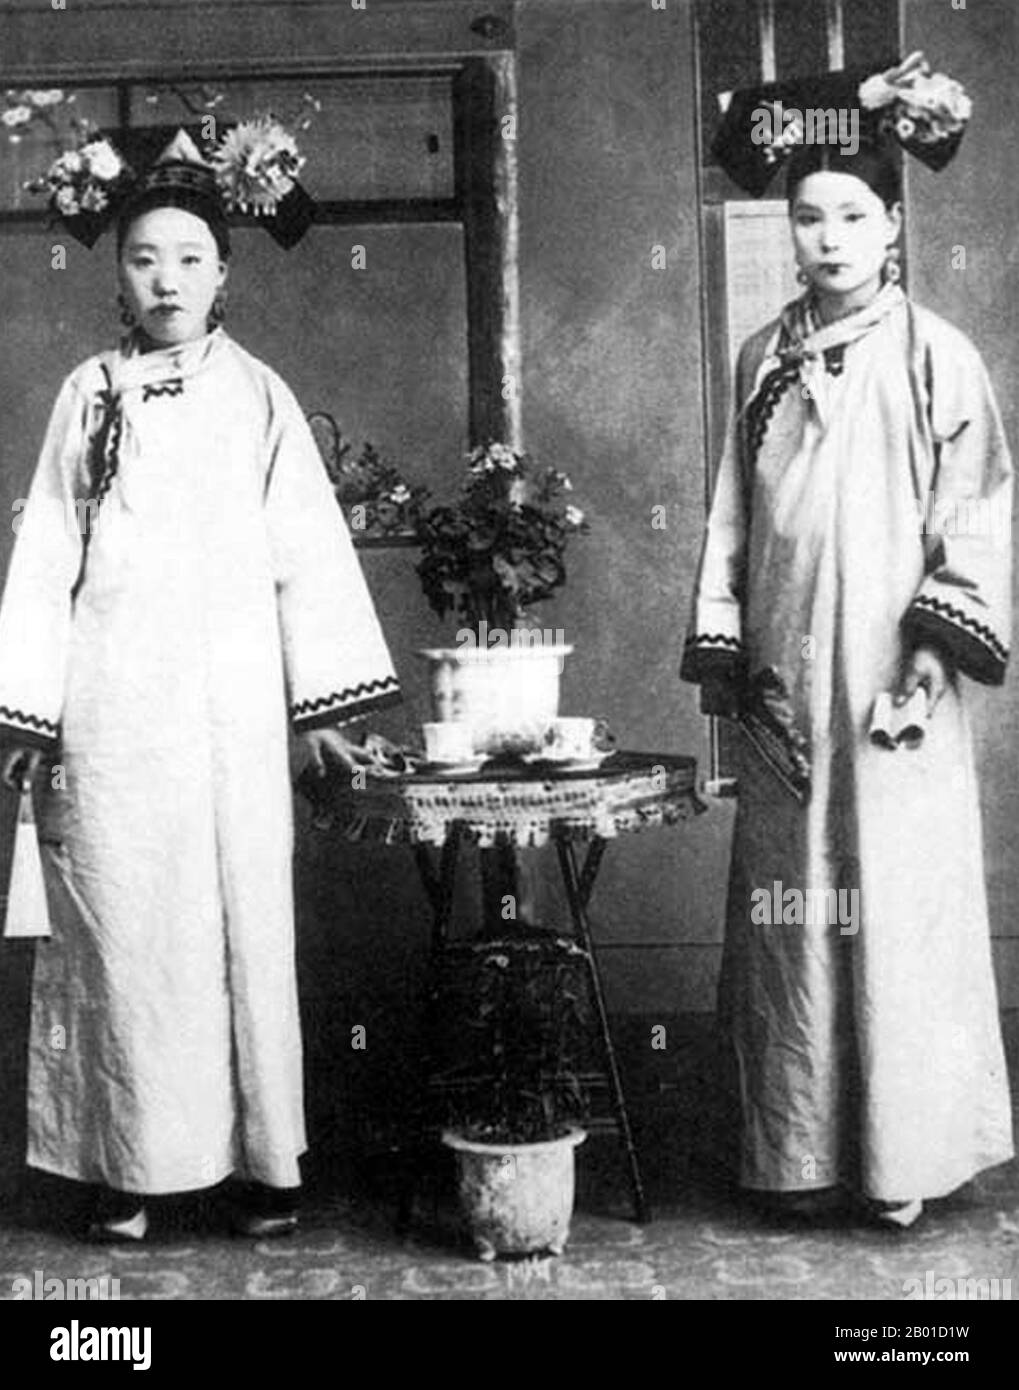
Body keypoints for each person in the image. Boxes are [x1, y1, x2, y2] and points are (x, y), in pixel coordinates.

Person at [0, 125, 401, 1240]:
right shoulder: (86, 394)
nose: (165, 278)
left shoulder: (257, 397)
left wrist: (315, 714)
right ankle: (127, 1164)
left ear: (223, 271)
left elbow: (306, 554)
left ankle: (264, 1164)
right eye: (142, 258)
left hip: (228, 713)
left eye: (187, 256)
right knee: (126, 931)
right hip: (115, 712)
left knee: (237, 925)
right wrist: (26, 710)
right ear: (116, 272)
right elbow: (45, 560)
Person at [682, 57, 1013, 1228]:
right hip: (786, 681)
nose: (826, 239)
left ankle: (900, 1160)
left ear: (891, 228)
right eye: (806, 217)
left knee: (893, 902)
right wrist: (723, 646)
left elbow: (973, 510)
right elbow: (732, 510)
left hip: (889, 678)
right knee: (792, 909)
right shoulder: (762, 359)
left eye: (851, 217)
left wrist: (932, 649)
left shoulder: (937, 355)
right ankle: (793, 1149)